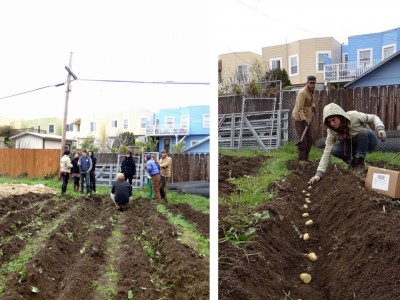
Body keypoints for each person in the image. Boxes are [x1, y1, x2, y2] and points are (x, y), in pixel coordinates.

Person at [309, 102, 386, 185]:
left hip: (368, 142)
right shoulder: (331, 131)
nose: (332, 124)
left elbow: (373, 117)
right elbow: (327, 152)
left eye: (333, 120)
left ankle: (360, 163)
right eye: (329, 122)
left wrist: (380, 128)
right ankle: (353, 163)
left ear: (339, 116)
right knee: (334, 149)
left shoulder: (354, 116)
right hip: (353, 146)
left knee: (362, 132)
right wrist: (319, 174)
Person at [291, 75, 317, 164]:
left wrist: (313, 107)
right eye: (311, 83)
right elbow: (299, 108)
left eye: (314, 83)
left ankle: (306, 158)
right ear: (307, 83)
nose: (312, 85)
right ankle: (301, 159)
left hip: (307, 118)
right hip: (299, 118)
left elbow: (311, 101)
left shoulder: (311, 91)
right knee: (302, 140)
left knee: (310, 139)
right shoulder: (302, 93)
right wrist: (303, 120)